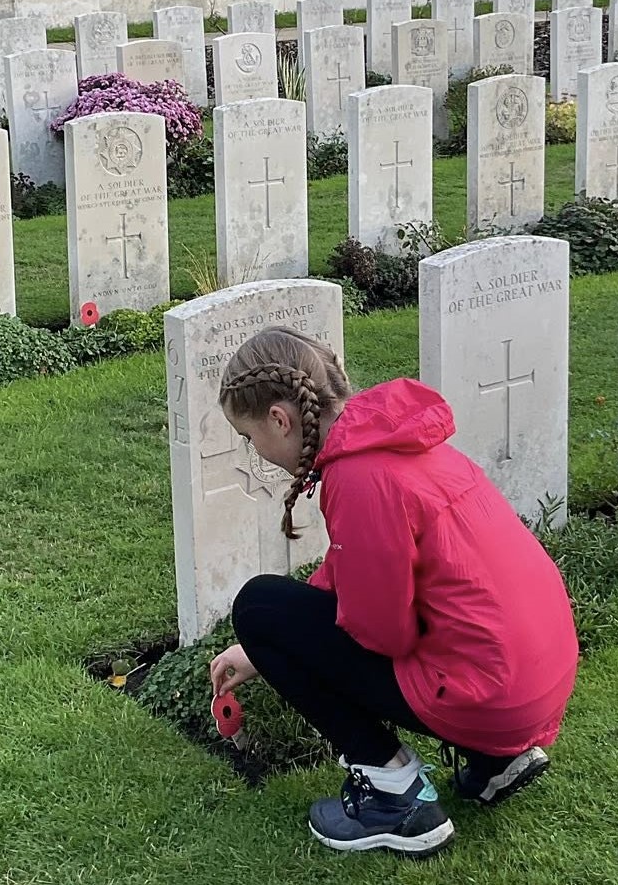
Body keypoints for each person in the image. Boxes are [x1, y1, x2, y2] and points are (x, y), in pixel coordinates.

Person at [207, 327, 579, 857]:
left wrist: (281, 641)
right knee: (278, 619)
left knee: (260, 606)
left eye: (248, 437)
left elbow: (384, 634)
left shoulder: (358, 477)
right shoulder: (396, 441)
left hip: (486, 694)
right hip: (535, 683)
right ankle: (497, 762)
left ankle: (395, 796)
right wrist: (270, 653)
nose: (255, 451)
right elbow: (354, 568)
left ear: (279, 419)